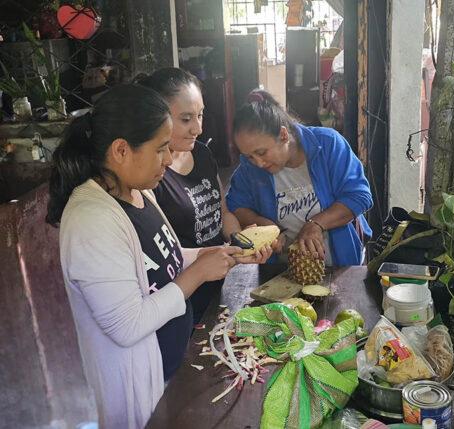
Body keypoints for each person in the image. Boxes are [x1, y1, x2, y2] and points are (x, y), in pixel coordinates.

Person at [46, 84, 271, 429]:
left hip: (172, 367)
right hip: (138, 388)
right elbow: (127, 325)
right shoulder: (91, 219)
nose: (168, 159)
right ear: (121, 150)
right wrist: (199, 273)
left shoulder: (137, 192)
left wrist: (217, 254)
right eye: (160, 148)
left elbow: (166, 259)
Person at [135, 68, 256, 324]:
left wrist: (241, 243)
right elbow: (166, 254)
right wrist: (218, 257)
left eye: (200, 115)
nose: (198, 128)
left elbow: (222, 212)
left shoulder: (202, 153)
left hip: (222, 285)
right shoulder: (149, 175)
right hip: (184, 296)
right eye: (186, 119)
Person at [226, 89, 372, 266]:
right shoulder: (250, 168)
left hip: (340, 264)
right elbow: (236, 205)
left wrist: (316, 224)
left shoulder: (328, 144)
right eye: (249, 156)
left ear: (283, 135)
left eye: (262, 152)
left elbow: (359, 197)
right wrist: (264, 225)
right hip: (283, 270)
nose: (258, 163)